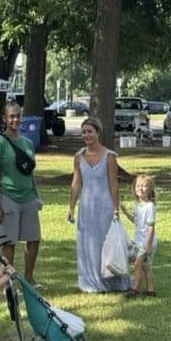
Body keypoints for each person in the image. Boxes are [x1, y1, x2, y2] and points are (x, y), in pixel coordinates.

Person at [67, 118, 129, 293]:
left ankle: (111, 279)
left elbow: (114, 184)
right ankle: (91, 279)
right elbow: (76, 183)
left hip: (105, 205)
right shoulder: (78, 157)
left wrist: (116, 209)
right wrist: (71, 207)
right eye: (84, 132)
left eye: (90, 131)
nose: (86, 135)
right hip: (87, 206)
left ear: (97, 133)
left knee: (106, 242)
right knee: (89, 243)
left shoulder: (109, 156)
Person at [0, 103, 42, 286]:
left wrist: (36, 196)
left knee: (34, 239)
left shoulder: (28, 143)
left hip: (28, 197)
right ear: (4, 118)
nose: (16, 119)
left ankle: (29, 278)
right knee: (9, 243)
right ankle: (8, 281)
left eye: (18, 116)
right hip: (8, 197)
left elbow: (30, 172)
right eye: (12, 116)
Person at [119, 174, 157, 298]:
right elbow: (135, 220)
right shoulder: (137, 205)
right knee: (146, 267)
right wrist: (125, 211)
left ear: (150, 189)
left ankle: (134, 290)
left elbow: (151, 227)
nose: (141, 188)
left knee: (137, 264)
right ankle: (151, 291)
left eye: (144, 186)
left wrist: (148, 244)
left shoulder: (150, 206)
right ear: (134, 189)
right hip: (139, 241)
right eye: (138, 186)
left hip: (146, 242)